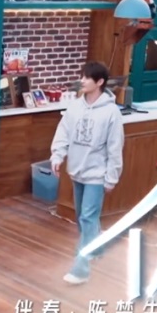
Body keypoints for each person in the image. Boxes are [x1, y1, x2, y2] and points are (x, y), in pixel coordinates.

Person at [49, 61, 125, 285]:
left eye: (86, 77)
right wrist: (57, 156)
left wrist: (111, 177)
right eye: (81, 76)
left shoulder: (111, 112)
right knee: (82, 218)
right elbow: (63, 133)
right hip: (76, 171)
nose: (81, 81)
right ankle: (97, 249)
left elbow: (115, 147)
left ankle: (81, 269)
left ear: (99, 82)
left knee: (88, 217)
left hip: (97, 175)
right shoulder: (74, 107)